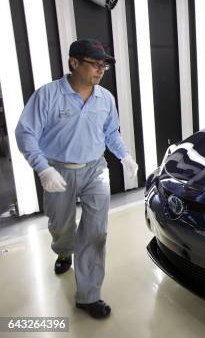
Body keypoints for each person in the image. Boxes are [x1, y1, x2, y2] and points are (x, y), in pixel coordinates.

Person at [15, 39, 138, 319]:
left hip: (96, 169)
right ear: (74, 63)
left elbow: (111, 133)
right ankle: (62, 251)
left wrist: (124, 156)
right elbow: (25, 133)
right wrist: (43, 168)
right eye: (95, 63)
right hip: (58, 169)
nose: (101, 69)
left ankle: (88, 295)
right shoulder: (47, 96)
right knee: (61, 225)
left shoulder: (105, 98)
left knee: (96, 232)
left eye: (104, 65)